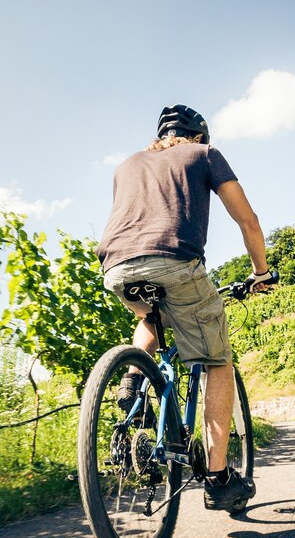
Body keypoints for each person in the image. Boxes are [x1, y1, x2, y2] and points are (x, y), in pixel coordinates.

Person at [96, 104, 273, 513]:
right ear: (199, 136)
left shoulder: (126, 165)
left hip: (117, 266)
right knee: (217, 362)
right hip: (174, 261)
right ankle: (217, 478)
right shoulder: (204, 155)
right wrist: (260, 272)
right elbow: (248, 221)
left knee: (149, 316)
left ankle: (134, 381)